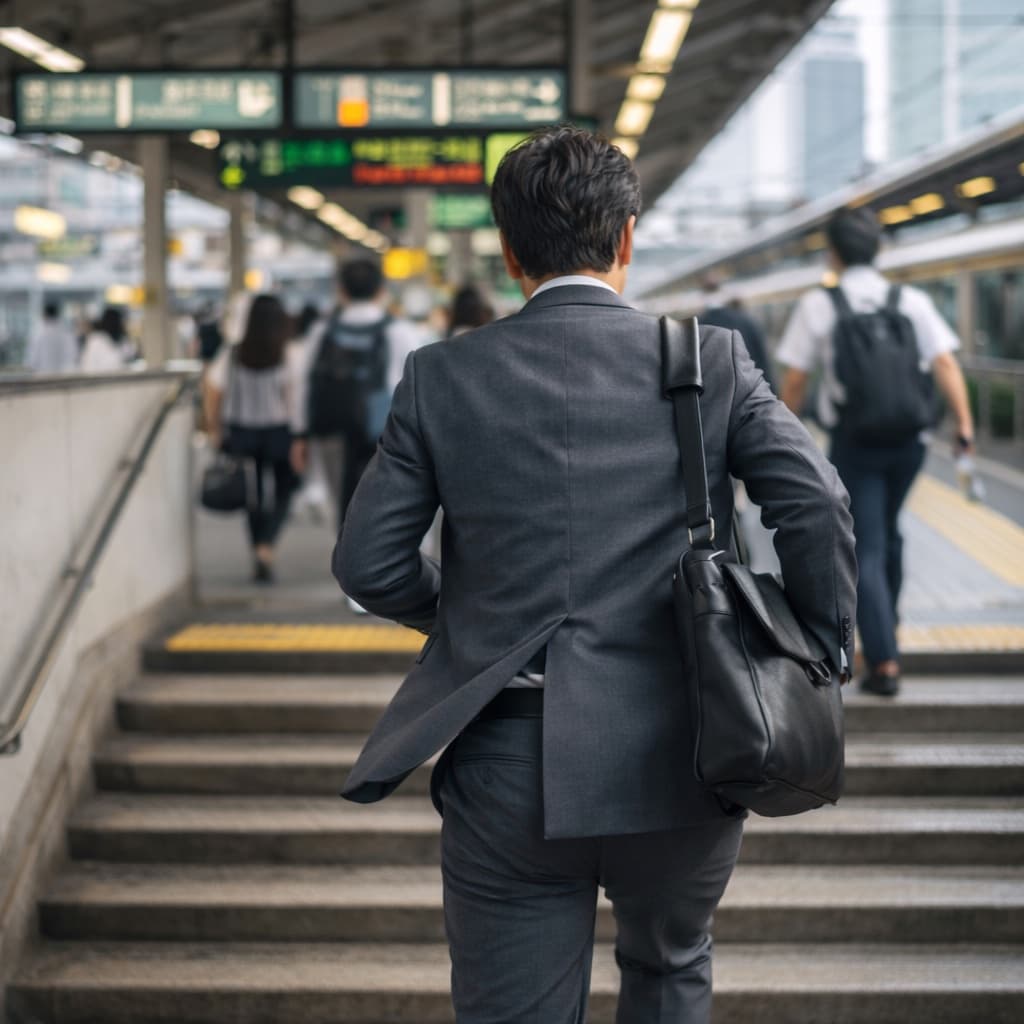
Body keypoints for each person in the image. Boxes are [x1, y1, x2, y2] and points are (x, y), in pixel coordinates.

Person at [333, 127, 857, 1023]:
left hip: (508, 764)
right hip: (689, 746)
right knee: (670, 968)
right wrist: (816, 646)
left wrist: (470, 621)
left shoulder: (440, 376)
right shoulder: (708, 362)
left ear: (508, 252)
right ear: (625, 239)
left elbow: (367, 563)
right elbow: (816, 506)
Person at [777, 207, 974, 697]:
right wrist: (965, 425)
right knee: (887, 533)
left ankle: (884, 662)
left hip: (856, 444)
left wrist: (782, 434)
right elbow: (945, 363)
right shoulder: (910, 299)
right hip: (910, 444)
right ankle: (888, 627)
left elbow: (797, 378)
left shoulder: (819, 305)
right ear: (878, 249)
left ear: (833, 253)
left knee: (865, 546)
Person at [290, 259, 426, 530]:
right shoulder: (400, 331)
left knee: (342, 500)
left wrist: (300, 434)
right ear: (381, 290)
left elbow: (303, 383)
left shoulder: (321, 331)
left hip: (332, 428)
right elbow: (417, 386)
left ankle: (347, 553)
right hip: (386, 431)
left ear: (341, 290)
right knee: (384, 501)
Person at [205, 294, 303, 583]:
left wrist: (214, 429)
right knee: (286, 489)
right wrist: (300, 436)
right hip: (279, 432)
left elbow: (214, 390)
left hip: (241, 431)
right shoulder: (287, 353)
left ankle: (257, 545)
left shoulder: (233, 353)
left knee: (252, 494)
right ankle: (267, 544)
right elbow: (294, 398)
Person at [699, 276, 774, 390]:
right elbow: (763, 361)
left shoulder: (698, 326)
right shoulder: (747, 322)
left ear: (703, 292)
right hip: (751, 392)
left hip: (717, 397)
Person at [26, 301, 78, 373]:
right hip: (63, 374)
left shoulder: (39, 333)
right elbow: (73, 354)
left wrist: (30, 367)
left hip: (42, 373)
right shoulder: (66, 331)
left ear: (44, 315)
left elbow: (32, 356)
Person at [79, 308, 137, 372]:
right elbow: (87, 366)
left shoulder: (123, 340)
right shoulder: (96, 339)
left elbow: (130, 359)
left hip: (120, 379)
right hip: (100, 379)